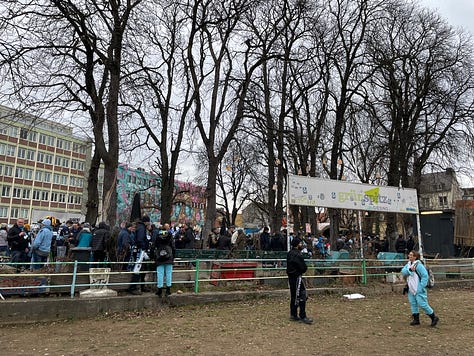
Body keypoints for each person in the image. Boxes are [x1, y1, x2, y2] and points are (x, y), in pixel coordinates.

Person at [401, 250, 439, 327]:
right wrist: (410, 270)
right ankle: (416, 319)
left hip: (418, 288)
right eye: (409, 255)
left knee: (422, 304)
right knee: (413, 303)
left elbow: (425, 276)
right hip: (411, 288)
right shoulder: (408, 265)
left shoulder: (419, 265)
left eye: (411, 255)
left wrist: (421, 286)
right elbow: (403, 271)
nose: (409, 256)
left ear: (415, 257)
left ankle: (433, 317)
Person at [286, 237, 313, 324]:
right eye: (300, 243)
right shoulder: (298, 255)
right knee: (302, 295)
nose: (301, 245)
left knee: (294, 295)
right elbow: (303, 267)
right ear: (297, 245)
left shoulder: (290, 253)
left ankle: (293, 314)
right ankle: (302, 315)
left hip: (291, 277)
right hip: (297, 277)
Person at [154, 224, 176, 298]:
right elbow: (173, 247)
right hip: (169, 256)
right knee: (168, 273)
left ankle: (159, 290)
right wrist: (173, 256)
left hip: (159, 257)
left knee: (160, 274)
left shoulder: (157, 235)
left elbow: (154, 246)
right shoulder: (170, 235)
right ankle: (168, 290)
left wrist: (152, 256)